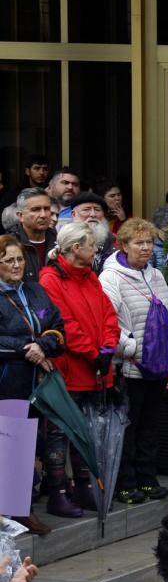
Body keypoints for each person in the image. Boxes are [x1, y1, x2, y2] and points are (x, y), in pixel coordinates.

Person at [101, 218, 168, 503]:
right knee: (130, 426)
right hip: (130, 366)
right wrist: (134, 349)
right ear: (123, 245)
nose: (146, 248)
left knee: (151, 424)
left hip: (158, 365)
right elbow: (109, 322)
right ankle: (126, 483)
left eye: (149, 242)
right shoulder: (110, 277)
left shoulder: (156, 276)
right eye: (139, 243)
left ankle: (148, 479)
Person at [39, 222, 120, 508]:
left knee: (86, 430)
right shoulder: (50, 279)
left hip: (96, 366)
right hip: (70, 368)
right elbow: (65, 324)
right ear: (76, 248)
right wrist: (93, 352)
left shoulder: (90, 276)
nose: (96, 250)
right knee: (61, 430)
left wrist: (109, 346)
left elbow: (108, 313)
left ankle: (85, 485)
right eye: (91, 245)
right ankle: (58, 491)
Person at [0, 235, 64, 524]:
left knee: (27, 443)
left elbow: (56, 325)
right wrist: (27, 347)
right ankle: (15, 509)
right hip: (8, 381)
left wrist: (44, 346)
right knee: (10, 442)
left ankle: (19, 507)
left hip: (37, 382)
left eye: (19, 259)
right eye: (9, 260)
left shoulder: (36, 290)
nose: (16, 265)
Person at [12, 189, 55, 284]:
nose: (43, 215)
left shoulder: (60, 241)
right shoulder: (9, 245)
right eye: (36, 210)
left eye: (47, 209)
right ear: (20, 216)